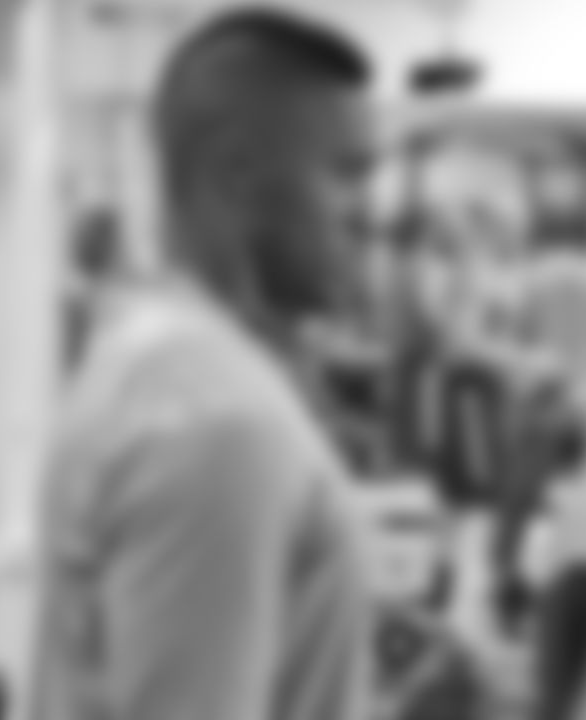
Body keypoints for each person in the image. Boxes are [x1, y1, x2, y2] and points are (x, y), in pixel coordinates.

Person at [30, 9, 378, 720]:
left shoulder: (155, 363)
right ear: (235, 181)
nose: (367, 215)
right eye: (345, 175)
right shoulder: (218, 423)